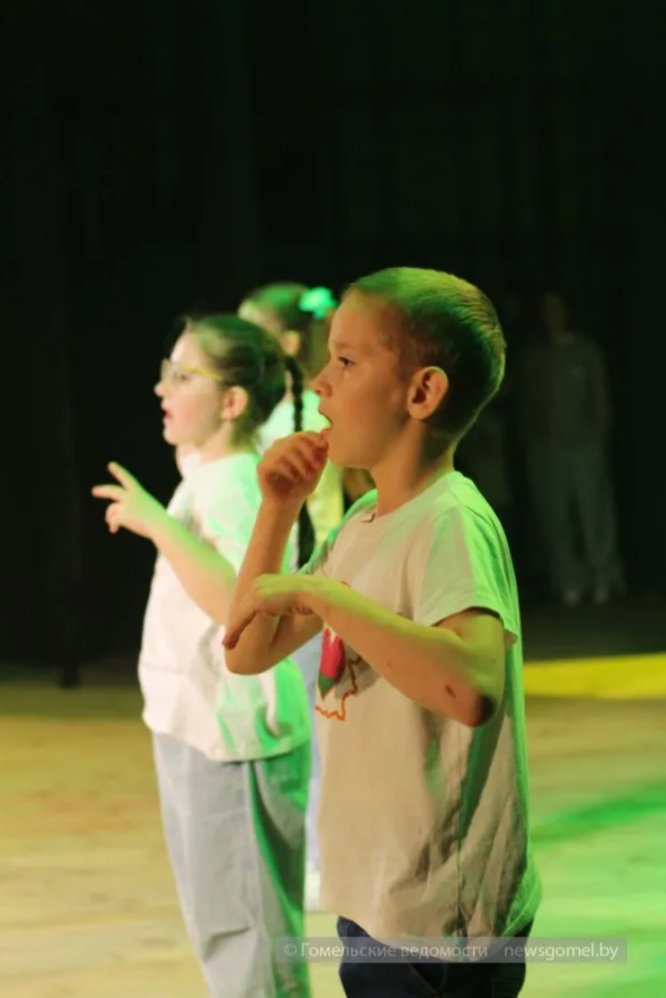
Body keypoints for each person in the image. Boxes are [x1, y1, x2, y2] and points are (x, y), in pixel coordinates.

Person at [222, 268, 541, 997]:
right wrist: (277, 509)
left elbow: (471, 686)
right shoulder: (360, 525)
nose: (320, 382)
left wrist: (325, 597)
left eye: (345, 360)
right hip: (376, 898)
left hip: (438, 925)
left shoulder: (450, 519)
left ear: (422, 393)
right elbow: (245, 648)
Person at [92, 314, 312, 998]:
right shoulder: (212, 473)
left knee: (249, 936)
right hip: (200, 731)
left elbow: (239, 606)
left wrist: (158, 523)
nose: (163, 389)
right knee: (224, 927)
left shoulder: (238, 483)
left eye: (182, 376)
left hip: (232, 739)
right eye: (167, 372)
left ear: (233, 401)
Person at [238, 282, 345, 908]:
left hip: (305, 589)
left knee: (315, 729)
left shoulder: (289, 419)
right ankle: (318, 856)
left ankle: (319, 859)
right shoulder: (302, 410)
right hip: (308, 586)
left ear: (282, 343)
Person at [515, 290, 623, 606]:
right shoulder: (535, 355)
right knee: (556, 518)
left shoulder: (585, 351)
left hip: (584, 446)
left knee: (593, 513)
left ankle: (603, 576)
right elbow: (526, 400)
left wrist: (598, 435)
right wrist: (532, 438)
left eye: (557, 307)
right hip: (546, 449)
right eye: (547, 308)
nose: (552, 315)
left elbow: (600, 397)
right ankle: (569, 579)